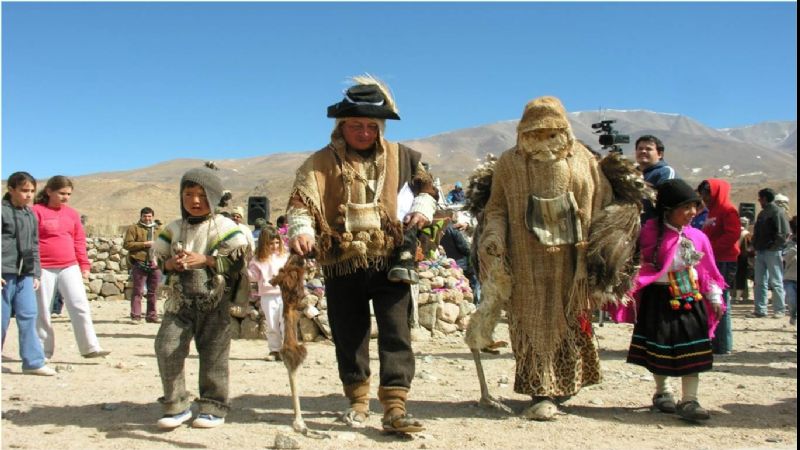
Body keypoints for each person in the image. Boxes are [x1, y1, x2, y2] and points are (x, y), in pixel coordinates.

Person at [286, 75, 436, 433]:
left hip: (390, 258)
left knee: (396, 331)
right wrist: (302, 230)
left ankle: (395, 407)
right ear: (342, 126)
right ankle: (357, 401)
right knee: (349, 333)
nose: (365, 132)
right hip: (341, 261)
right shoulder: (318, 163)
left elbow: (429, 188)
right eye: (356, 125)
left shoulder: (403, 157)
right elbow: (300, 203)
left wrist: (422, 208)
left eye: (372, 126)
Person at [478, 96, 613, 420]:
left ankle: (565, 383)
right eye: (535, 133)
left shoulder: (584, 159)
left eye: (551, 133)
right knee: (532, 323)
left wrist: (601, 250)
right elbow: (496, 207)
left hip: (572, 263)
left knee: (569, 320)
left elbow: (602, 202)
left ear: (564, 130)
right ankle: (540, 390)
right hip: (525, 261)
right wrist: (493, 237)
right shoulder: (509, 163)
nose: (543, 140)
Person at [153, 167, 249, 430]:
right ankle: (176, 405)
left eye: (202, 195)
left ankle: (213, 406)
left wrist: (206, 260)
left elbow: (237, 263)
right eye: (188, 194)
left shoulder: (226, 228)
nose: (195, 201)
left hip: (215, 302)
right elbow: (159, 261)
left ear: (214, 197)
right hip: (179, 301)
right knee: (166, 347)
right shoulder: (173, 228)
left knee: (214, 354)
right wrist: (171, 264)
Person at [626, 179, 725, 423]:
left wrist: (714, 296)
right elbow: (634, 263)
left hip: (690, 298)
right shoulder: (648, 233)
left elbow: (707, 270)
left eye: (695, 207)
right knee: (659, 347)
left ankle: (690, 400)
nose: (692, 212)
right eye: (686, 207)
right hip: (658, 299)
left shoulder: (697, 237)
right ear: (668, 209)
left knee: (692, 350)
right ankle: (663, 392)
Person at [32, 176, 109, 359]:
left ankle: (90, 347)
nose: (65, 197)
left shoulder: (72, 214)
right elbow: (31, 241)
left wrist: (84, 264)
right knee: (43, 309)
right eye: (62, 193)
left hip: (69, 266)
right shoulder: (36, 212)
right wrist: (32, 268)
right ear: (49, 191)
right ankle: (42, 351)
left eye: (68, 194)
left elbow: (78, 240)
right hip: (44, 267)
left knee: (79, 305)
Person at [2, 172, 57, 376]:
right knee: (2, 318)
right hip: (4, 273)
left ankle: (33, 362)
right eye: (24, 190)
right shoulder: (2, 212)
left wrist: (35, 272)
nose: (29, 195)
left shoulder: (30, 214)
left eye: (32, 191)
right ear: (11, 189)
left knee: (29, 315)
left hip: (25, 273)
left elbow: (34, 245)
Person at [698, 179, 740, 355]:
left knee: (721, 300)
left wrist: (710, 249)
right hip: (713, 259)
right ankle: (715, 340)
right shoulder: (712, 211)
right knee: (712, 299)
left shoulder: (728, 210)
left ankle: (723, 344)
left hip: (724, 260)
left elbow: (732, 235)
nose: (704, 198)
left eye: (707, 194)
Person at [247, 225, 288, 362]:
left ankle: (287, 349)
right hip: (268, 296)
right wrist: (244, 269)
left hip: (284, 295)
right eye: (271, 243)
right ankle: (274, 350)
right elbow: (253, 277)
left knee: (285, 323)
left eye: (277, 242)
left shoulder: (285, 256)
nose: (275, 246)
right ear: (264, 244)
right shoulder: (258, 260)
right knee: (272, 324)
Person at [750, 188, 791, 318]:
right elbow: (757, 232)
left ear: (765, 199)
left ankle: (779, 310)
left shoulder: (777, 212)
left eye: (760, 198)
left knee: (776, 281)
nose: (759, 201)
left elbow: (783, 233)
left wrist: (774, 247)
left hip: (772, 252)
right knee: (759, 282)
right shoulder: (762, 213)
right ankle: (760, 310)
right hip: (761, 251)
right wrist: (754, 245)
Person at [123, 207, 162, 323]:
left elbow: (165, 244)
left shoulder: (159, 230)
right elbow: (127, 244)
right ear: (141, 216)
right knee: (138, 291)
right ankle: (136, 316)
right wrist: (145, 244)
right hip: (139, 262)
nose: (147, 218)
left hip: (155, 263)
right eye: (145, 216)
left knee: (153, 292)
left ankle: (152, 316)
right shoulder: (133, 228)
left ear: (153, 217)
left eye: (149, 216)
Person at [635, 135, 677, 223]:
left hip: (654, 227)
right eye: (640, 148)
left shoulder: (665, 172)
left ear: (660, 154)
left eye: (648, 149)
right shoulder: (631, 173)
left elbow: (666, 204)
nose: (643, 151)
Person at [734, 217, 753, 302]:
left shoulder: (733, 231)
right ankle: (738, 297)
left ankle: (736, 296)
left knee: (736, 276)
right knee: (741, 276)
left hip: (734, 256)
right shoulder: (746, 234)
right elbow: (750, 248)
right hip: (743, 258)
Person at [783, 216, 797, 326]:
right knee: (791, 301)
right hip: (790, 278)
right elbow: (785, 258)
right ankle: (793, 315)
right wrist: (794, 250)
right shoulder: (790, 244)